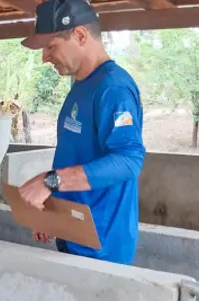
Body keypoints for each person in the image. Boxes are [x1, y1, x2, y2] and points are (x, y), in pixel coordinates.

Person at [17, 0, 145, 265]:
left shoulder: (113, 88)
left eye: (50, 46)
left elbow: (128, 161)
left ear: (80, 35)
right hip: (74, 231)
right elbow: (75, 158)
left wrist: (49, 182)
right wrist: (50, 211)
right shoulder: (80, 86)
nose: (44, 57)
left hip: (101, 245)